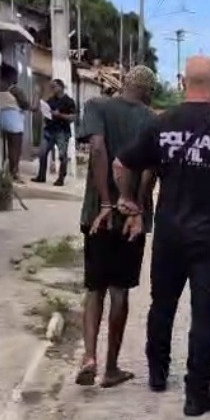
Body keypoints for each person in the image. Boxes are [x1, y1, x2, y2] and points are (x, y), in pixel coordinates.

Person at [114, 55, 210, 417]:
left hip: (169, 232)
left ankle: (157, 375)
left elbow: (121, 163)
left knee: (161, 305)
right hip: (209, 237)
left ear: (183, 82)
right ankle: (197, 394)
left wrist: (127, 201)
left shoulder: (161, 123)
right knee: (203, 315)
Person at [74, 65, 158, 387]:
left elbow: (97, 148)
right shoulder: (152, 120)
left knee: (94, 288)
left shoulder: (97, 107)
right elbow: (151, 169)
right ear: (149, 91)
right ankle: (110, 369)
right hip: (131, 222)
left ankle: (89, 357)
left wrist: (107, 202)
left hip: (97, 213)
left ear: (123, 84)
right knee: (119, 292)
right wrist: (135, 204)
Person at [34, 79, 77, 185]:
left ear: (61, 87)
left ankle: (61, 178)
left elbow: (73, 117)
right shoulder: (51, 100)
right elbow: (45, 110)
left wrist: (60, 115)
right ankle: (41, 176)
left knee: (62, 155)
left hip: (62, 131)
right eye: (51, 87)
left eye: (54, 86)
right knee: (42, 153)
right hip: (49, 130)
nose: (52, 89)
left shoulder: (69, 101)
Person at [0, 64, 30, 182]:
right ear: (11, 76)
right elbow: (25, 105)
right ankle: (14, 173)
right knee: (15, 148)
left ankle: (3, 171)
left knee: (3, 147)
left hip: (1, 116)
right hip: (14, 119)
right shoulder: (15, 90)